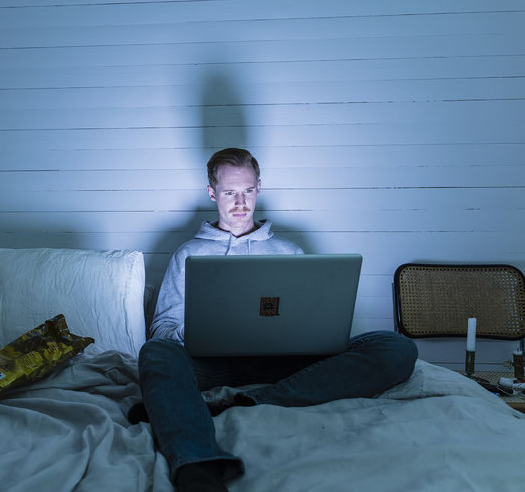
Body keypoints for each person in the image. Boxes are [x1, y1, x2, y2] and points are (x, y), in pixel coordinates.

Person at [130, 148, 418, 491]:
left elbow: (316, 319)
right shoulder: (189, 254)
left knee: (395, 347)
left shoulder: (289, 252)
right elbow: (163, 330)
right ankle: (198, 466)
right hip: (212, 365)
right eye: (229, 193)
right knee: (155, 353)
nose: (240, 202)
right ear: (212, 193)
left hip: (286, 364)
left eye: (248, 191)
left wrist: (313, 334)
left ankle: (251, 402)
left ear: (259, 188)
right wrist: (209, 328)